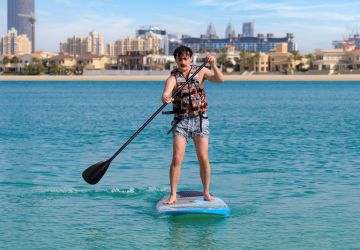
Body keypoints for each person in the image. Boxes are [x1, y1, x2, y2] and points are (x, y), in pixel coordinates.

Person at [161, 45, 224, 204]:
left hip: (200, 120)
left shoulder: (201, 71)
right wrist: (167, 98)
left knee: (203, 157)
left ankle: (206, 192)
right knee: (177, 158)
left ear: (190, 58)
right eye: (179, 58)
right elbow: (166, 94)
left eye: (185, 58)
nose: (183, 61)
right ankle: (173, 194)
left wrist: (213, 65)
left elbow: (220, 79)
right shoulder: (173, 78)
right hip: (181, 122)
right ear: (175, 59)